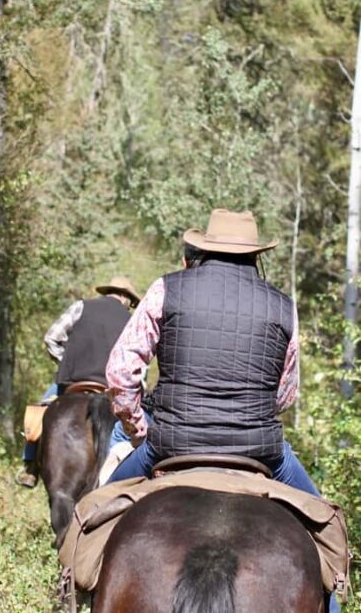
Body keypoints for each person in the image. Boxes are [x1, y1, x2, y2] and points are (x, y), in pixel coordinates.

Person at [105, 209, 339, 610]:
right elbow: (286, 394)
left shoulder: (166, 290)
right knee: (328, 537)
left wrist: (140, 427)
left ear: (203, 248)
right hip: (261, 452)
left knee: (95, 513)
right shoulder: (283, 306)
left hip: (170, 445)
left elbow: (120, 372)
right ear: (255, 255)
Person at [15, 275, 140, 488]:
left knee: (42, 408)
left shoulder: (81, 307)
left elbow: (52, 337)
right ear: (125, 297)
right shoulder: (132, 321)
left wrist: (68, 362)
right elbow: (137, 358)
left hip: (75, 382)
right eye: (132, 302)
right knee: (138, 424)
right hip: (112, 389)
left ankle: (30, 467)